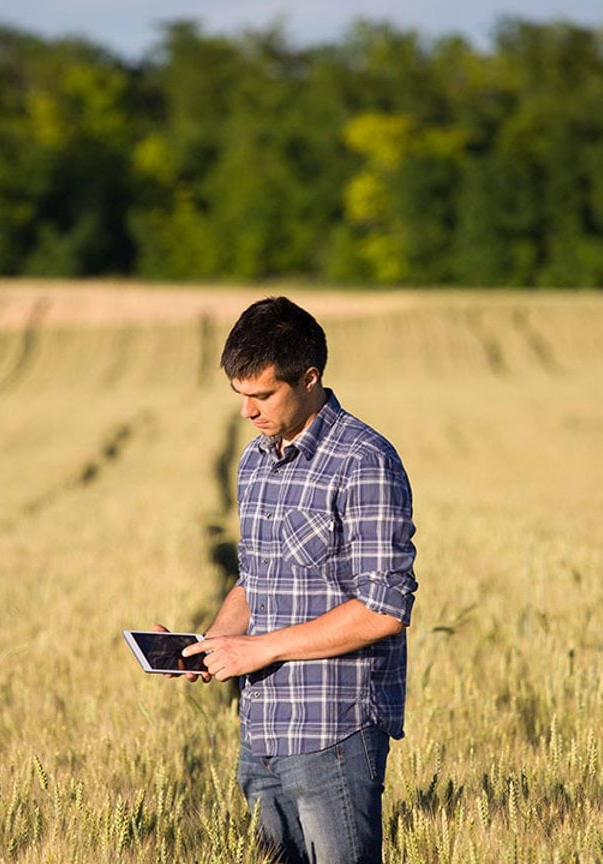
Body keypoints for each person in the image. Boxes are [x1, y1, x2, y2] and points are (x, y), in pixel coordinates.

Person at [165, 296, 419, 864]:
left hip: (333, 729)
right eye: (240, 396)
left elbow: (384, 608)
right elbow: (255, 581)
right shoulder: (256, 461)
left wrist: (258, 650)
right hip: (260, 730)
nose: (247, 412)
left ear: (309, 378)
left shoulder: (364, 460)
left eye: (261, 395)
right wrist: (212, 644)